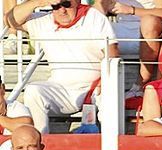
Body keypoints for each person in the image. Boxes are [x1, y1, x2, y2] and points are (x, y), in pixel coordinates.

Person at [6, 0, 119, 134]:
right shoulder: (44, 20)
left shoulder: (93, 17)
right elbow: (10, 20)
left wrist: (104, 81)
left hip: (94, 87)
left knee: (108, 92)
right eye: (56, 6)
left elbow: (112, 54)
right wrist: (39, 2)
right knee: (33, 90)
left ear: (77, 2)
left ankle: (113, 144)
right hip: (61, 89)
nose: (62, 10)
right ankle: (39, 143)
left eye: (66, 4)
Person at [93, 0, 162, 88]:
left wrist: (131, 10)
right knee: (94, 28)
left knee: (148, 22)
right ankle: (96, 85)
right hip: (122, 27)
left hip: (150, 29)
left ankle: (141, 83)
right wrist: (101, 5)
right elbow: (96, 11)